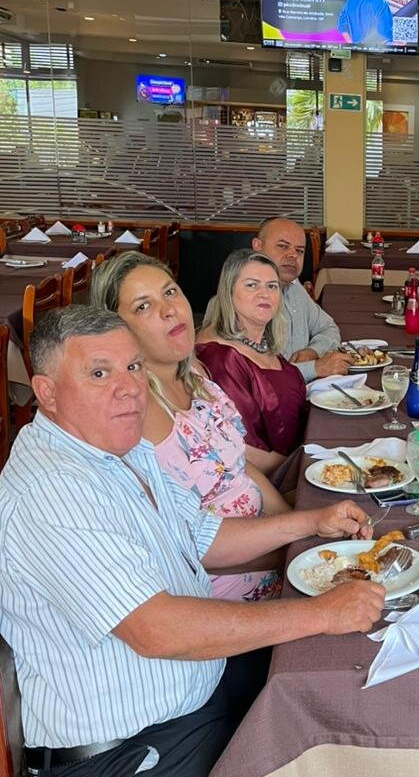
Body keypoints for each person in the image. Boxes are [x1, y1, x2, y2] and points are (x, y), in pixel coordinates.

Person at [0, 306, 384, 777]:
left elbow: (203, 536)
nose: (129, 387)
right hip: (130, 750)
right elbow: (156, 630)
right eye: (99, 373)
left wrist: (311, 523)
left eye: (133, 366)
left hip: (198, 692)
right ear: (46, 393)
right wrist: (322, 613)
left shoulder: (121, 450)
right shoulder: (53, 491)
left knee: (352, 684)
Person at [92, 251, 290, 602]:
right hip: (227, 597)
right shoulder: (135, 415)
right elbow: (183, 550)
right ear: (117, 330)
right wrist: (292, 548)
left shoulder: (197, 378)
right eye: (143, 306)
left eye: (170, 292)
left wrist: (294, 523)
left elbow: (238, 468)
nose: (169, 310)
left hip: (275, 553)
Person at [198, 249, 306, 477]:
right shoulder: (221, 358)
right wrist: (299, 469)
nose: (264, 294)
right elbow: (241, 447)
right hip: (270, 479)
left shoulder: (263, 344)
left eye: (272, 286)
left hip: (299, 459)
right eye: (251, 285)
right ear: (228, 292)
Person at [251, 216, 351, 383]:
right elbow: (255, 378)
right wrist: (315, 368)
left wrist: (313, 351)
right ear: (257, 247)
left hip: (306, 390)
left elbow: (328, 328)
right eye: (283, 246)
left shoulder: (294, 286)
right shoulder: (244, 300)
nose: (292, 255)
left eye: (299, 251)